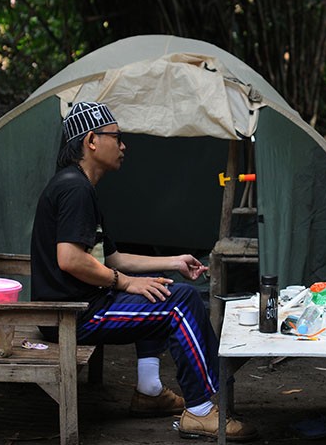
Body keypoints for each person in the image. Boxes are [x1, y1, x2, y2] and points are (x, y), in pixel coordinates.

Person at [30, 101, 257, 441]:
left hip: (80, 305)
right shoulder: (74, 189)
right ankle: (199, 410)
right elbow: (70, 260)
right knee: (180, 302)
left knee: (160, 286)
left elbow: (112, 259)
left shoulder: (80, 186)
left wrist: (173, 262)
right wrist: (125, 284)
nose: (123, 146)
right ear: (91, 141)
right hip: (71, 316)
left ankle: (150, 391)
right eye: (116, 137)